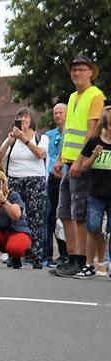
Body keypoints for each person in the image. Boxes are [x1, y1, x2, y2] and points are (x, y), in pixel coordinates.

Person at [52, 55, 105, 278]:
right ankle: (72, 257)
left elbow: (93, 131)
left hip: (81, 164)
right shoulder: (73, 96)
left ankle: (83, 260)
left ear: (90, 72)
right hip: (68, 161)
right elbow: (69, 131)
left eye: (81, 69)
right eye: (74, 70)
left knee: (79, 212)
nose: (77, 74)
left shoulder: (95, 96)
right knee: (64, 211)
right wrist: (59, 159)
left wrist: (82, 160)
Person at [0, 107, 48, 269]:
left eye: (26, 116)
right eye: (20, 117)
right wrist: (9, 142)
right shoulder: (11, 139)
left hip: (35, 179)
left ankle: (36, 255)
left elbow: (40, 154)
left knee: (36, 217)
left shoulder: (40, 138)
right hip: (15, 178)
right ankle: (15, 255)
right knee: (14, 217)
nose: (23, 119)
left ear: (32, 119)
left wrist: (24, 139)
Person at [76, 107, 111, 279]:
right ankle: (89, 264)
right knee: (93, 227)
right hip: (96, 192)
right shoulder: (94, 143)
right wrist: (94, 156)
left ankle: (106, 263)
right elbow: (83, 166)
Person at [45, 103, 68, 267]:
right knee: (53, 216)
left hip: (67, 176)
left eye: (61, 112)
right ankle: (61, 253)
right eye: (55, 113)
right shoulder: (49, 135)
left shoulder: (70, 134)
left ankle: (70, 252)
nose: (58, 116)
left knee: (67, 216)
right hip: (51, 178)